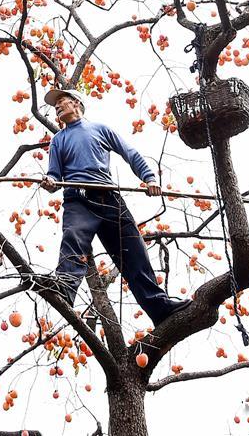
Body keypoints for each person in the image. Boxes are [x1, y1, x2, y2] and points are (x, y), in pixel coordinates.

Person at [37, 88, 191, 327]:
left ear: (77, 103)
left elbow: (129, 153)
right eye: (55, 105)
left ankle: (159, 308)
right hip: (78, 201)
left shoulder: (100, 130)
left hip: (109, 199)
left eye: (62, 102)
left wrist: (149, 178)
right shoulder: (59, 140)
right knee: (73, 237)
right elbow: (54, 175)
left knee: (135, 254)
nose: (57, 107)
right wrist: (49, 182)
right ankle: (64, 289)